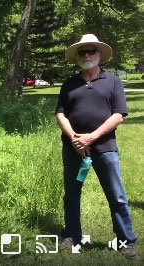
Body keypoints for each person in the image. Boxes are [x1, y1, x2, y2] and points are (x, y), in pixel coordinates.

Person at [56, 34, 137, 259]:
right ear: (77, 57)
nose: (87, 55)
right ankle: (72, 236)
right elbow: (60, 113)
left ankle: (126, 241)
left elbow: (119, 115)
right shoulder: (69, 83)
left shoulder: (112, 81)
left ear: (100, 55)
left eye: (91, 51)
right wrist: (74, 137)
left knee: (117, 195)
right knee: (72, 194)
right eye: (82, 52)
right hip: (73, 149)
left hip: (105, 148)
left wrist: (91, 137)